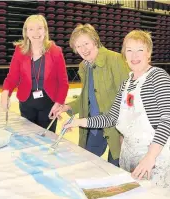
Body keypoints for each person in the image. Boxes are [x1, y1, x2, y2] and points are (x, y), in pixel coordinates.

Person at [62, 30, 170, 197]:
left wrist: (150, 157)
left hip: (156, 155)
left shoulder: (158, 77)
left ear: (149, 53)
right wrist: (78, 122)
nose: (134, 55)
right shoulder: (127, 83)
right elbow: (111, 118)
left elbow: (167, 120)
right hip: (129, 152)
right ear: (124, 54)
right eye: (129, 50)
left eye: (140, 50)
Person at [53, 24, 130, 167]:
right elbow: (86, 98)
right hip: (94, 126)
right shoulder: (84, 66)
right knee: (87, 164)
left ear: (95, 41)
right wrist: (66, 107)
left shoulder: (115, 59)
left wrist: (124, 134)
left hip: (116, 129)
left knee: (115, 170)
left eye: (86, 43)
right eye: (79, 46)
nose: (84, 49)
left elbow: (128, 98)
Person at [1, 14, 69, 133]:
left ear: (45, 30)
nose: (36, 32)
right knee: (27, 137)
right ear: (26, 32)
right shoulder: (20, 51)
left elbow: (63, 83)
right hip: (26, 102)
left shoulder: (56, 52)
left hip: (49, 103)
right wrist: (5, 93)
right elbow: (12, 77)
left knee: (46, 138)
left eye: (40, 28)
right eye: (31, 29)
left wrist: (59, 103)